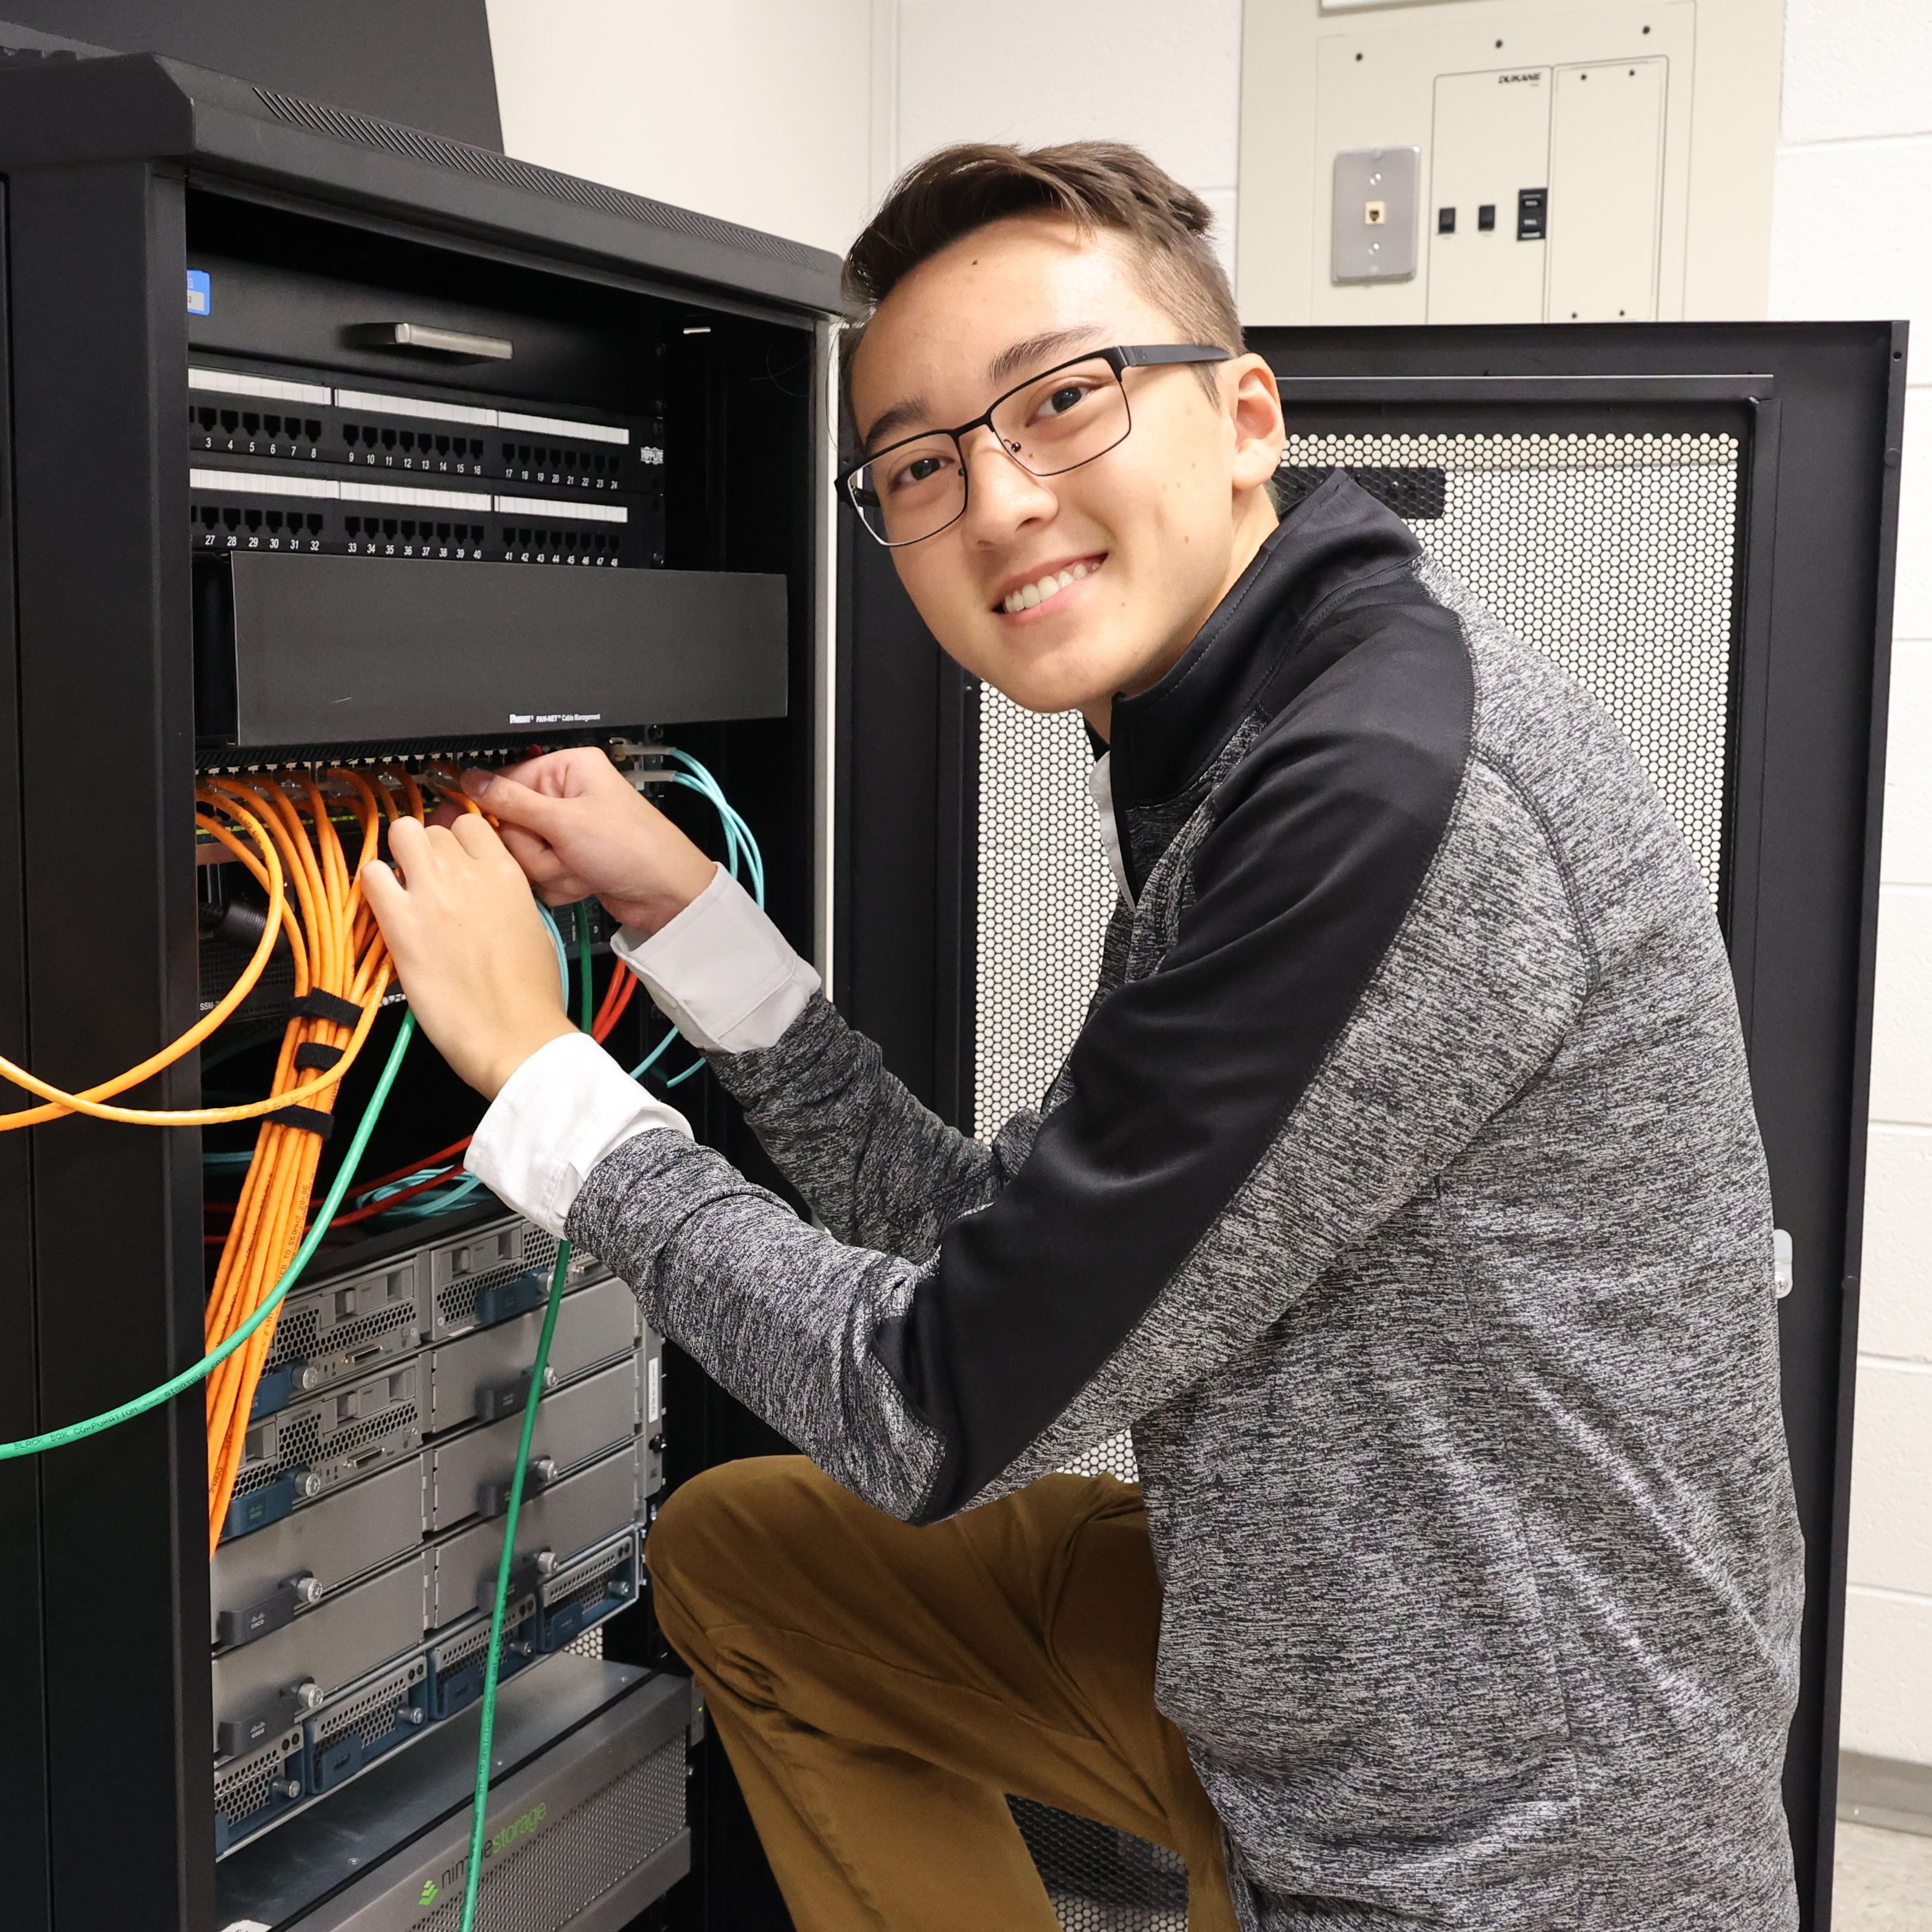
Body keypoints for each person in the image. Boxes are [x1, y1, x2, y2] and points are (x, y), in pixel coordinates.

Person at [364, 142, 1804, 1932]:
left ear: (1246, 418)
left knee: (863, 1478)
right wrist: (687, 923)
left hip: (1497, 1857)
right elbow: (1003, 1261)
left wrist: (541, 1080)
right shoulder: (1268, 729)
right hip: (1299, 1650)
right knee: (752, 1559)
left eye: (1063, 402)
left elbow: (931, 1401)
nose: (1000, 500)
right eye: (920, 462)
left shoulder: (1385, 805)